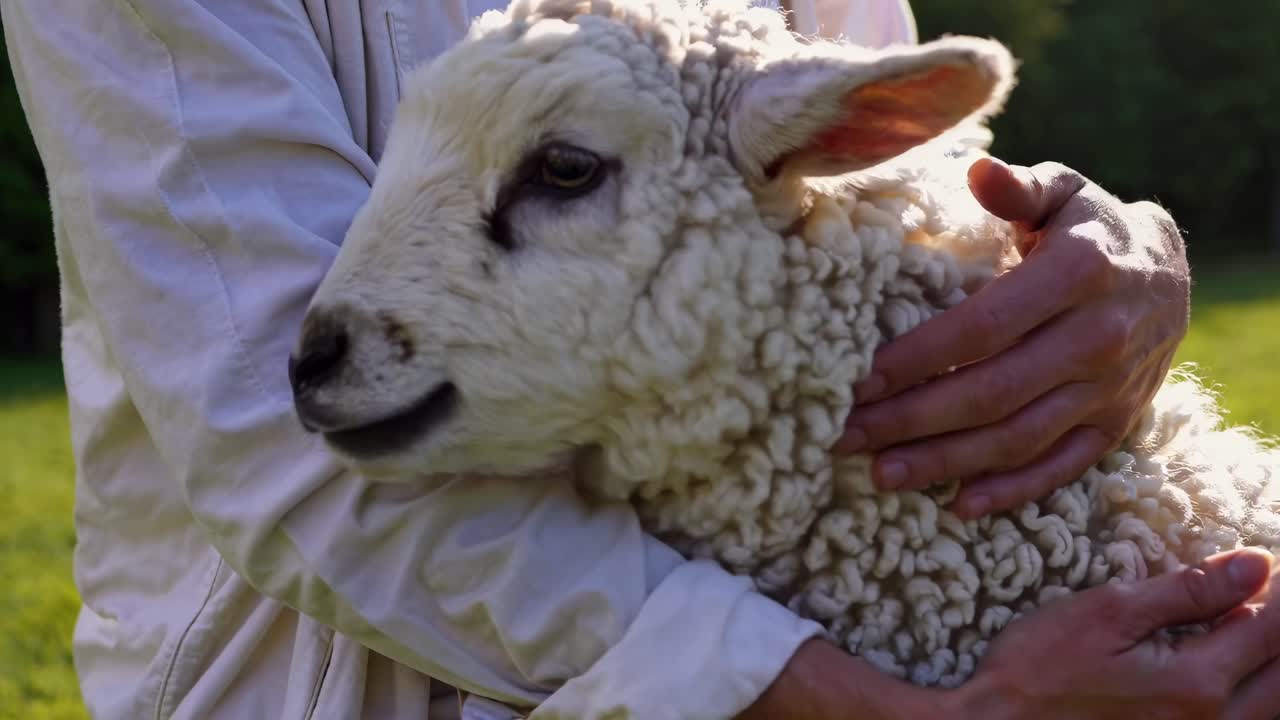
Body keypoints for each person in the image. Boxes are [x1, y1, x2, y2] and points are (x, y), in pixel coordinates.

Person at [2, 0, 1277, 718]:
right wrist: (914, 712)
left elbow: (890, 182)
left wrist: (1115, 246)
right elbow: (276, 431)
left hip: (874, 600)